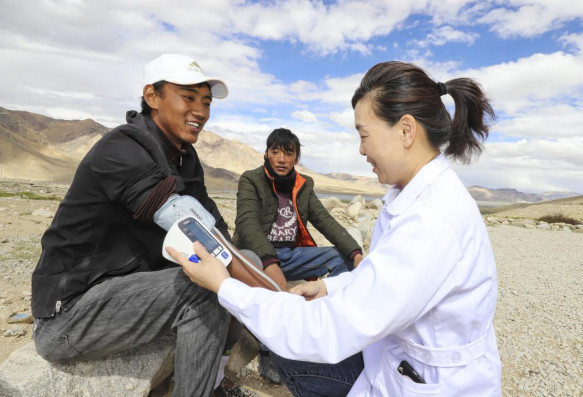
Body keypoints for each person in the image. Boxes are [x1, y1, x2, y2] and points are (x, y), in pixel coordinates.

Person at [168, 61, 502, 396]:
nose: (361, 149)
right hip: (274, 261)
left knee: (298, 339)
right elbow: (248, 224)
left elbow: (326, 321)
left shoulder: (431, 219)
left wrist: (224, 287)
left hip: (422, 380)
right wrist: (329, 288)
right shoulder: (414, 195)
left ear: (406, 130)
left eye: (364, 135)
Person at [31, 54, 250, 396]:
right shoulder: (123, 148)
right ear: (152, 97)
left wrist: (251, 271)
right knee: (208, 286)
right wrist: (284, 306)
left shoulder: (183, 156)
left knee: (242, 258)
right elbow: (194, 229)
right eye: (188, 98)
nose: (201, 112)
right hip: (71, 314)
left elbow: (217, 229)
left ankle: (216, 374)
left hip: (131, 290)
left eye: (206, 102)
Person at [234, 128, 363, 291]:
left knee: (344, 258)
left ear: (296, 159)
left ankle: (321, 302)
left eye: (288, 153)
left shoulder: (303, 185)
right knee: (245, 262)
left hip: (289, 257)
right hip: (255, 256)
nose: (282, 159)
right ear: (266, 154)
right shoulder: (251, 180)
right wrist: (269, 262)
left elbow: (324, 220)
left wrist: (355, 252)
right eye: (275, 152)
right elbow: (247, 223)